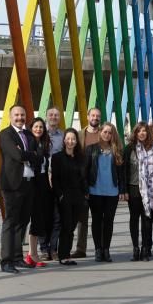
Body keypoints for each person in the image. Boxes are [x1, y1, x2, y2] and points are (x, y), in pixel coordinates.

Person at [0, 105, 38, 273]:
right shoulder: (6, 134)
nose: (20, 117)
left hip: (28, 184)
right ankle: (6, 261)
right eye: (16, 115)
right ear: (10, 117)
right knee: (10, 222)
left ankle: (17, 258)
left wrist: (28, 155)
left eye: (22, 114)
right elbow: (17, 156)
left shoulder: (29, 134)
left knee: (22, 222)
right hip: (12, 185)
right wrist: (29, 155)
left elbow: (40, 155)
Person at [85, 123, 125, 262]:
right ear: (100, 132)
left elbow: (121, 173)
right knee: (96, 220)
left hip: (112, 191)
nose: (107, 134)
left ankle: (106, 250)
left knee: (108, 221)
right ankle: (98, 249)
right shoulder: (91, 149)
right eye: (105, 131)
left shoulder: (117, 150)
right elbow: (85, 170)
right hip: (95, 190)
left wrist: (122, 190)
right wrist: (85, 189)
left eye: (110, 132)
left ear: (113, 135)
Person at [124, 122, 153, 261]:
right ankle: (135, 248)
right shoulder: (129, 149)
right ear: (135, 133)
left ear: (148, 133)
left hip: (151, 189)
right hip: (134, 188)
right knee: (134, 219)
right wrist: (124, 190)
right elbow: (124, 171)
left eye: (144, 131)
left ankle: (146, 249)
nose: (142, 133)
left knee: (147, 219)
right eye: (139, 131)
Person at [51, 128, 88, 266]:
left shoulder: (81, 158)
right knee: (66, 226)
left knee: (72, 226)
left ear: (76, 141)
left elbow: (84, 178)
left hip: (78, 196)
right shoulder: (57, 158)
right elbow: (55, 179)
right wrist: (59, 195)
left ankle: (66, 253)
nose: (70, 141)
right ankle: (63, 255)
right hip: (64, 196)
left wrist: (85, 194)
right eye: (68, 138)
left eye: (73, 139)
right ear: (64, 140)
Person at [71, 107, 101, 259]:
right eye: (93, 115)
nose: (95, 118)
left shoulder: (105, 134)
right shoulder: (79, 134)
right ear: (88, 116)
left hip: (100, 182)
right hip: (82, 182)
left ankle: (100, 248)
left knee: (98, 218)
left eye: (98, 116)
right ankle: (80, 249)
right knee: (82, 218)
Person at [25, 117, 52, 268]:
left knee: (39, 218)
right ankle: (31, 254)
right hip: (33, 182)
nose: (38, 129)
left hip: (43, 182)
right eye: (36, 126)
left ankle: (32, 254)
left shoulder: (43, 143)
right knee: (35, 218)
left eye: (41, 127)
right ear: (31, 128)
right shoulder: (30, 143)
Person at [38, 106, 64, 262]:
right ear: (46, 116)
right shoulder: (40, 134)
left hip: (58, 181)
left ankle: (53, 249)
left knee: (57, 217)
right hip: (41, 181)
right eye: (51, 115)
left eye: (56, 115)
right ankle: (43, 248)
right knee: (42, 216)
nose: (53, 117)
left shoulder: (63, 136)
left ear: (59, 118)